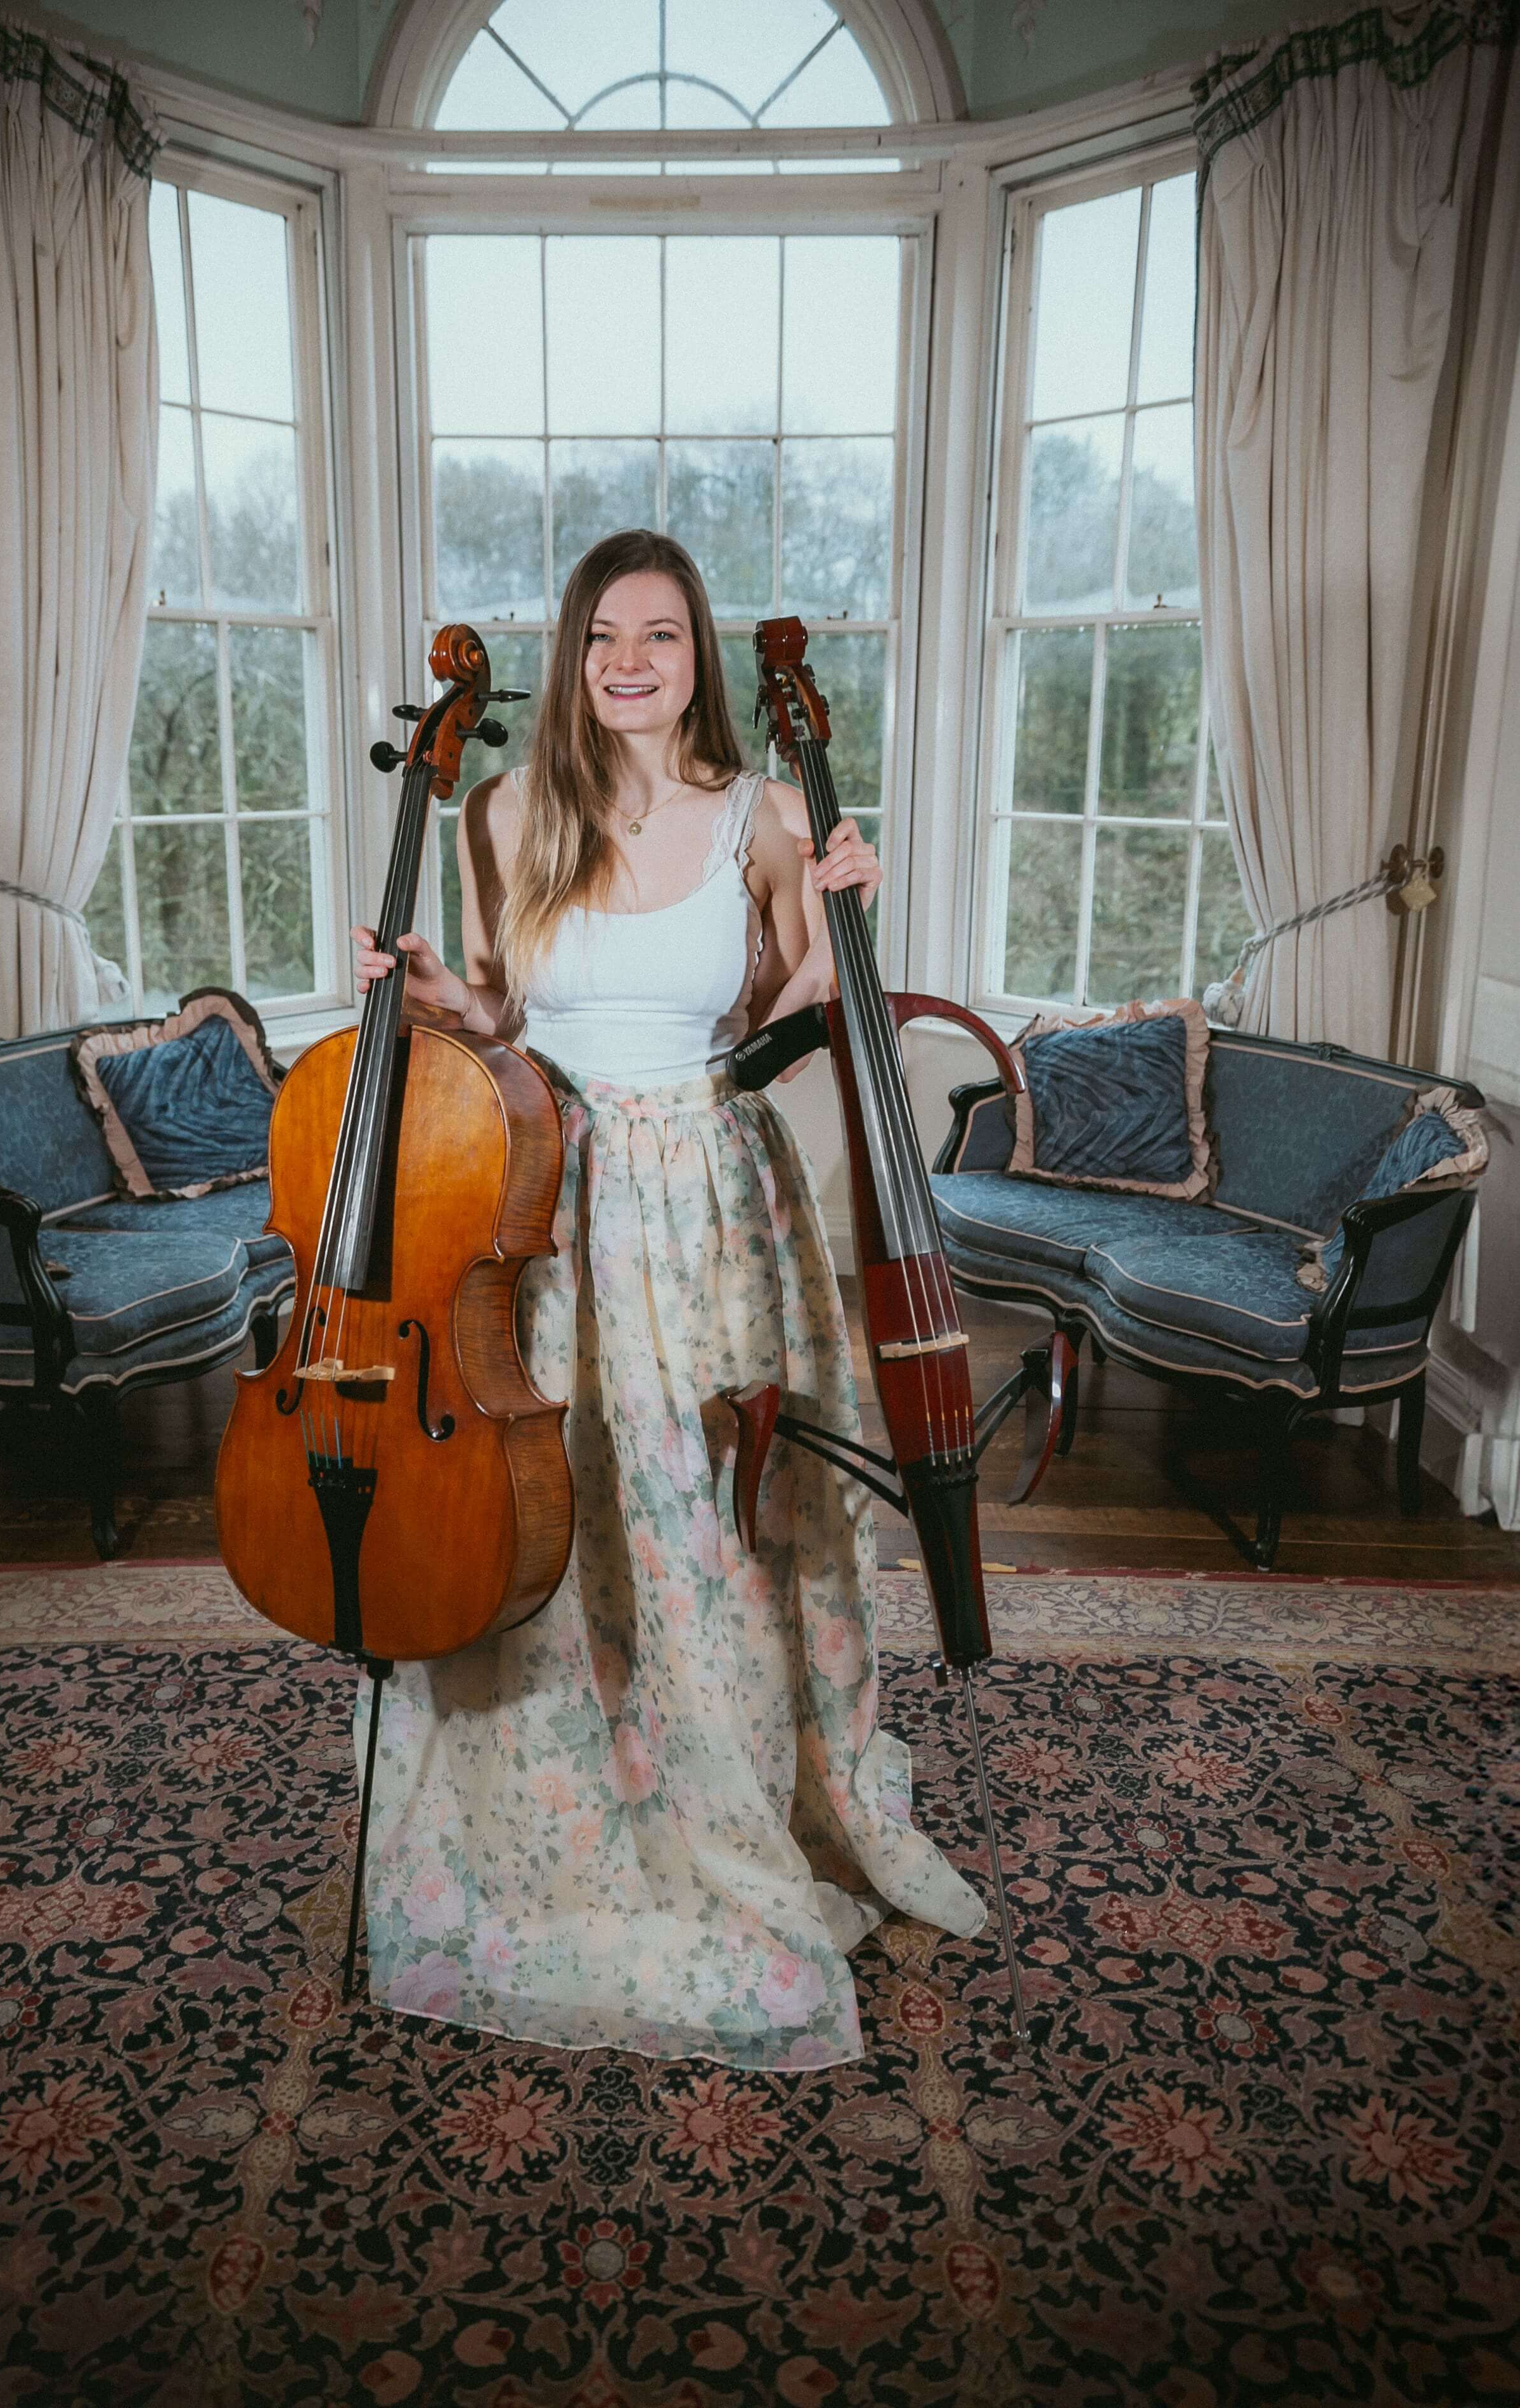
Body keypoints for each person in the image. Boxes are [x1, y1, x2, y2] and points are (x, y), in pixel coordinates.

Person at [347, 529, 984, 2071]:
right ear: (570, 660)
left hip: (710, 1195)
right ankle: (560, 1800)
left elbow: (768, 1013)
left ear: (698, 660)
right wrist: (434, 992)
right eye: (601, 637)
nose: (629, 660)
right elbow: (502, 1009)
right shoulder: (498, 811)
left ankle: (720, 1786)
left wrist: (842, 932)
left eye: (661, 636)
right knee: (551, 1506)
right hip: (547, 1191)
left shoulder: (766, 813)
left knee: (710, 1519)